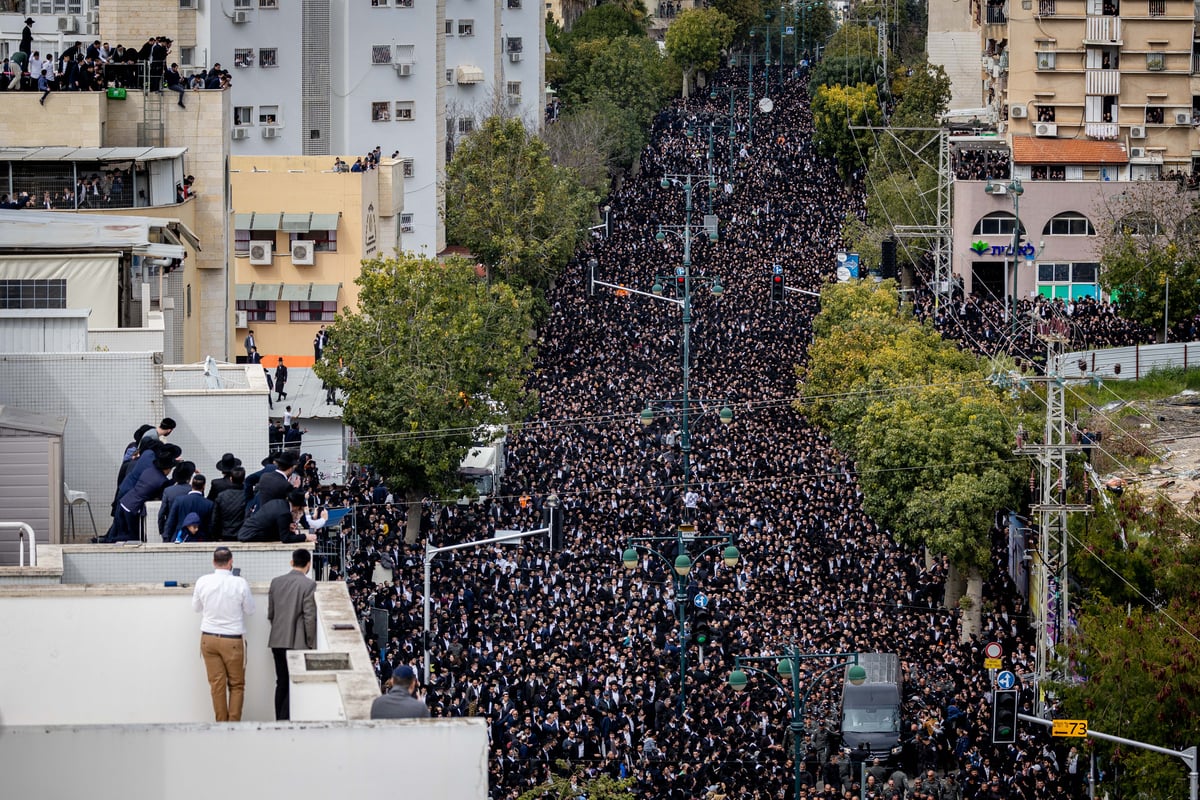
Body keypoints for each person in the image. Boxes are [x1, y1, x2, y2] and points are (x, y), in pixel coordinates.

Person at [192, 546, 255, 722]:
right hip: (232, 640)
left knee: (216, 686)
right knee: (236, 685)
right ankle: (233, 726)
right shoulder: (239, 583)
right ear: (231, 562)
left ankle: (220, 724)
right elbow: (250, 610)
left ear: (213, 562)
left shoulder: (202, 581)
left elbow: (196, 608)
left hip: (208, 638)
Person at [267, 548, 317, 720]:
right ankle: (285, 719)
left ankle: (278, 719)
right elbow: (309, 616)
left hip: (277, 639)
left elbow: (271, 614)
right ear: (308, 565)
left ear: (291, 562)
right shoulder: (309, 585)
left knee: (281, 682)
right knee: (293, 682)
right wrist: (311, 642)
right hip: (297, 642)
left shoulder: (276, 582)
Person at [238, 489, 317, 543]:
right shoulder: (285, 513)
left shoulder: (279, 503)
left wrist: (287, 527)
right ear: (297, 506)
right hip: (251, 535)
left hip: (246, 532)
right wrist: (305, 537)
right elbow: (285, 538)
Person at [164, 473, 214, 542]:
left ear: (191, 484)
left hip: (180, 538)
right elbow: (210, 526)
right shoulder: (209, 504)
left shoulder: (179, 500)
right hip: (200, 539)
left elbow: (170, 522)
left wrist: (166, 538)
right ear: (204, 486)